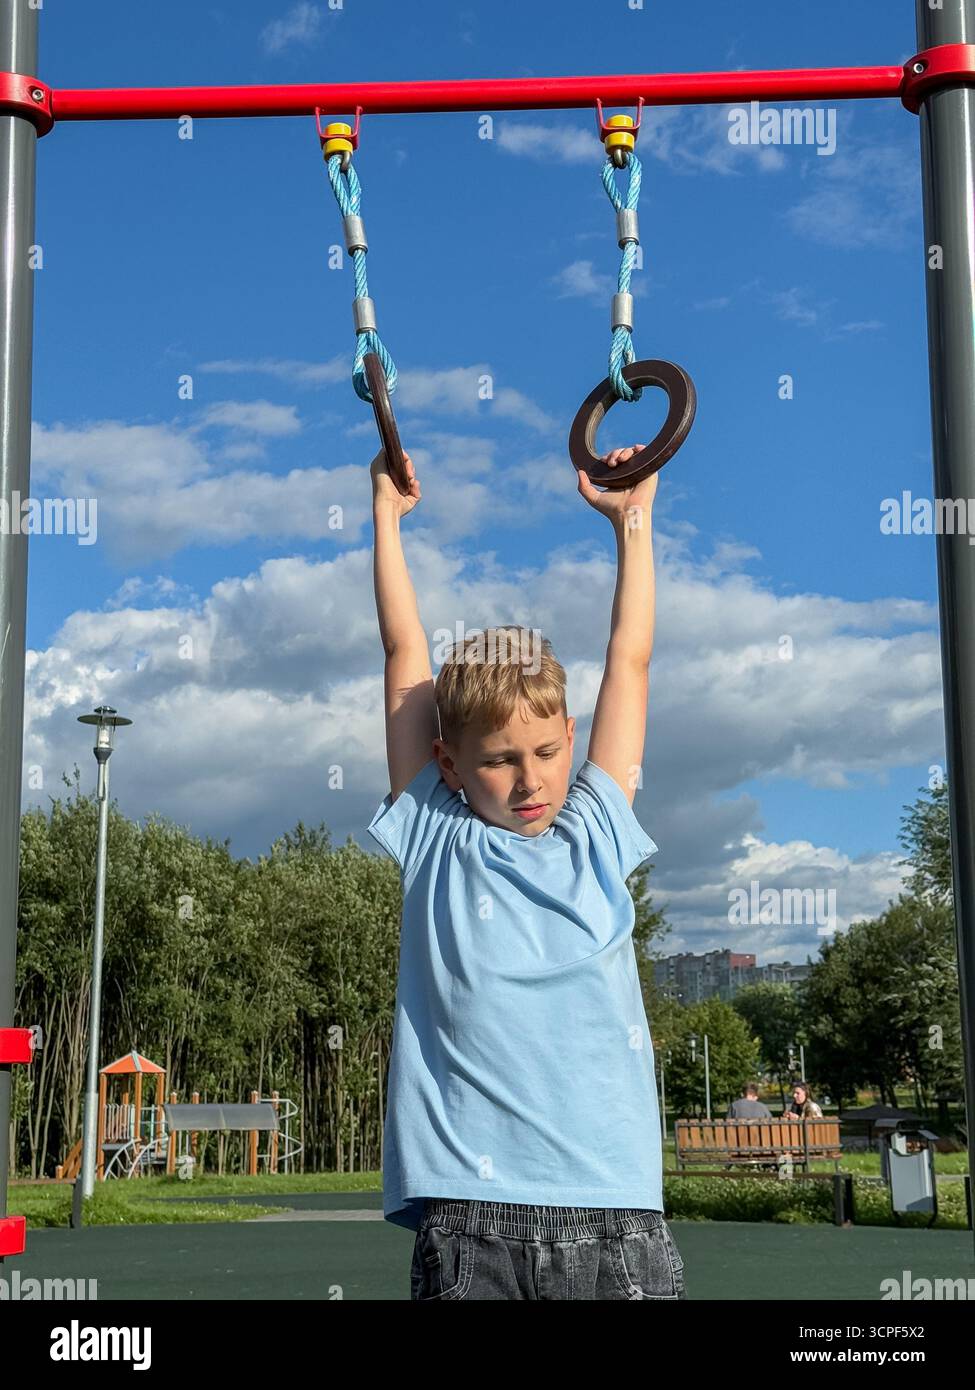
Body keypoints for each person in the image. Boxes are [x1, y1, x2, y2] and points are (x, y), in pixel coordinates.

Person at [367, 442, 685, 1301]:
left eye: (546, 751)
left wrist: (632, 521)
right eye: (501, 760)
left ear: (571, 740)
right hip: (472, 1221)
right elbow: (404, 657)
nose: (531, 778)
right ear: (449, 763)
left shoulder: (598, 833)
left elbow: (631, 659)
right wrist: (386, 521)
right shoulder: (435, 835)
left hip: (617, 1221)